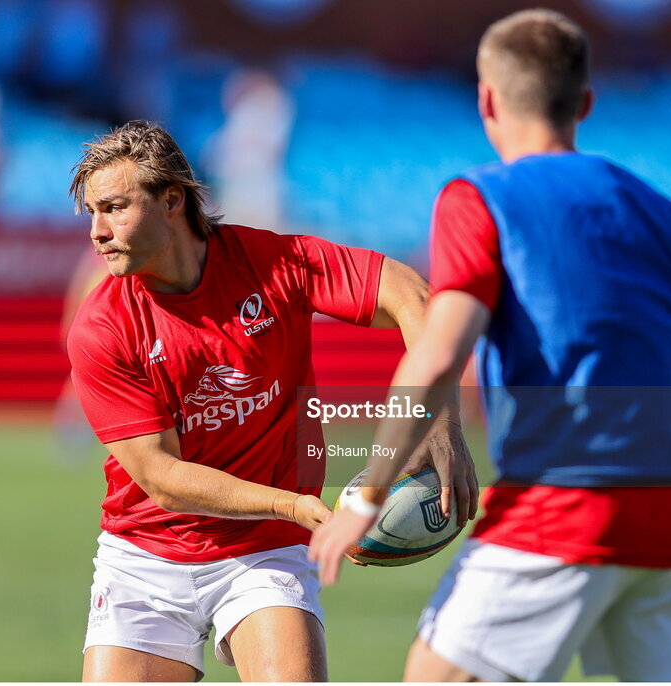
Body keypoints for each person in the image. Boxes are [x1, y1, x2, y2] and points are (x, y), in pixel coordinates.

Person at [310, 9, 671, 682]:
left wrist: (365, 498)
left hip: (559, 513)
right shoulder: (664, 214)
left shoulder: (480, 198)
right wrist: (658, 480)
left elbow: (438, 354)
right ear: (584, 102)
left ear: (486, 99)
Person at [65, 120, 477, 682]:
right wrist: (290, 504)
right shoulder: (102, 326)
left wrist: (438, 420)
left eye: (113, 208)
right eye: (90, 212)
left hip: (263, 551)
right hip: (145, 556)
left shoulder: (271, 263)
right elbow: (160, 475)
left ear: (171, 200)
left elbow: (413, 295)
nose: (98, 231)